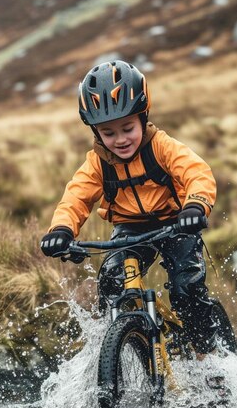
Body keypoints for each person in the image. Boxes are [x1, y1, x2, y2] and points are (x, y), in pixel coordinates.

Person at [40, 60, 219, 359]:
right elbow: (75, 198)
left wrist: (196, 204)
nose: (120, 139)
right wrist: (61, 230)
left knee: (186, 288)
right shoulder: (97, 163)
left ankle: (208, 357)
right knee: (110, 282)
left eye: (127, 128)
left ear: (143, 118)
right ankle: (117, 352)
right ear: (96, 133)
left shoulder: (162, 147)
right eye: (109, 133)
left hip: (176, 222)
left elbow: (196, 173)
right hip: (130, 229)